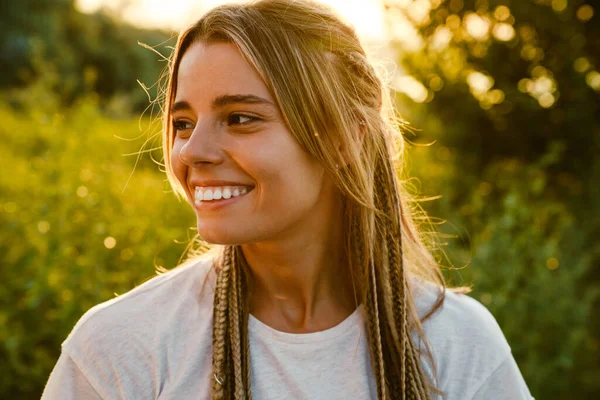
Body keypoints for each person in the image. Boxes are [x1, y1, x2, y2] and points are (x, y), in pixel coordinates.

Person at [41, 0, 534, 399]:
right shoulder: (120, 346)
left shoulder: (458, 343)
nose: (192, 151)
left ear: (344, 139)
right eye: (183, 122)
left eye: (240, 118)